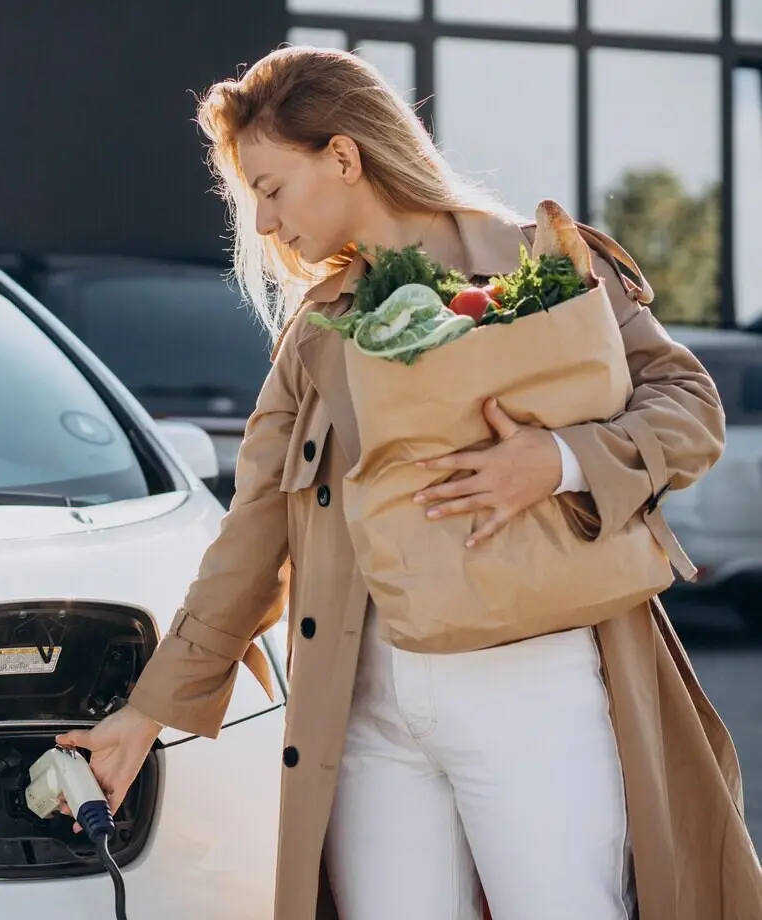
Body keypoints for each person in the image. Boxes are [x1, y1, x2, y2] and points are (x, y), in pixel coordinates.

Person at [56, 45, 762, 920]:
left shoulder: (538, 261)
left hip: (528, 678)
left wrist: (557, 461)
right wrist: (147, 713)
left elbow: (689, 404)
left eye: (272, 189)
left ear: (343, 156)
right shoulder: (317, 334)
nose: (267, 225)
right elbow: (253, 535)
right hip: (365, 703)